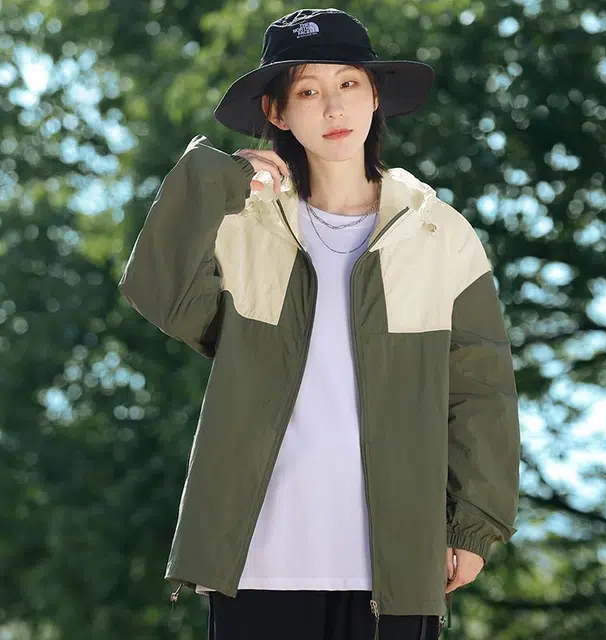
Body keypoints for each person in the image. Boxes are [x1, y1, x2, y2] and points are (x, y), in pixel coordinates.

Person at [117, 8, 521, 640]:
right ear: (277, 112)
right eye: (307, 91)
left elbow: (481, 388)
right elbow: (158, 291)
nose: (333, 107)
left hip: (395, 564)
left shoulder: (438, 232)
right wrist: (219, 181)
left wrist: (473, 526)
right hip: (258, 560)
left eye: (349, 83)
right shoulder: (246, 223)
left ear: (375, 95)